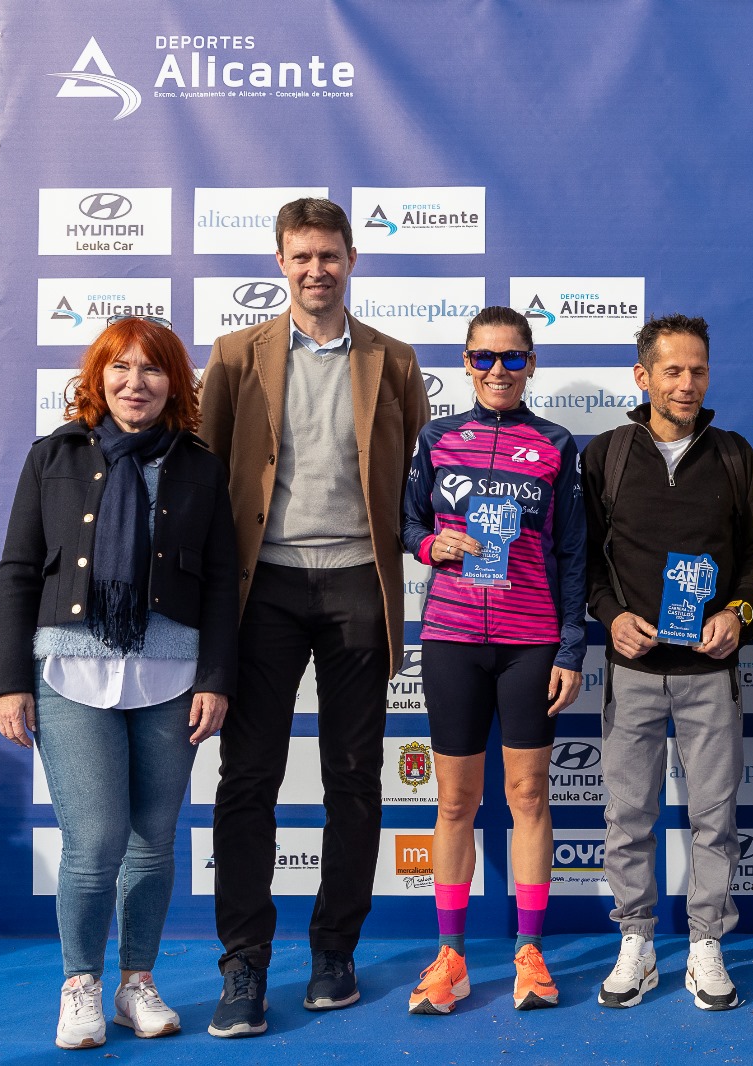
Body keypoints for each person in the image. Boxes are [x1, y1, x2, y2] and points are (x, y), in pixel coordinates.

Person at [199, 197, 430, 1037]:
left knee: (355, 776)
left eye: (329, 255)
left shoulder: (394, 360)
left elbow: (412, 476)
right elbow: (208, 475)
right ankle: (244, 962)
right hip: (262, 590)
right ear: (280, 262)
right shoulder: (235, 357)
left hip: (359, 586)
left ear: (352, 260)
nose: (315, 270)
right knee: (248, 777)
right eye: (300, 256)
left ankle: (335, 950)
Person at [0, 317, 237, 1049]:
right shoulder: (53, 456)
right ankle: (80, 986)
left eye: (152, 369)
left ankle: (136, 983)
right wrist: (9, 682)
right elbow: (18, 570)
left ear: (174, 384)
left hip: (170, 673)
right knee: (95, 842)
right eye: (121, 367)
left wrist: (215, 677)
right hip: (70, 670)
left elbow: (222, 582)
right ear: (98, 377)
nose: (135, 383)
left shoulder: (200, 466)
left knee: (152, 844)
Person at [400, 305, 586, 1015]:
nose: (498, 370)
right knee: (454, 801)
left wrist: (570, 645)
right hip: (451, 638)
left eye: (512, 357)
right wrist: (430, 545)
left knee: (529, 796)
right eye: (484, 357)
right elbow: (407, 520)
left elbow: (573, 553)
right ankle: (450, 955)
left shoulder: (556, 443)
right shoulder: (437, 437)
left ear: (530, 363)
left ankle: (529, 952)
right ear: (466, 362)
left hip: (530, 641)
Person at [581, 314, 753, 1011]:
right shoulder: (607, 455)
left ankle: (705, 945)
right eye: (673, 371)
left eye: (698, 370)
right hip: (631, 671)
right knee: (629, 817)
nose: (687, 384)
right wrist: (610, 616)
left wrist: (737, 612)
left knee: (715, 819)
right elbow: (584, 560)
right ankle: (636, 941)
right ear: (643, 376)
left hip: (709, 674)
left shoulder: (733, 454)